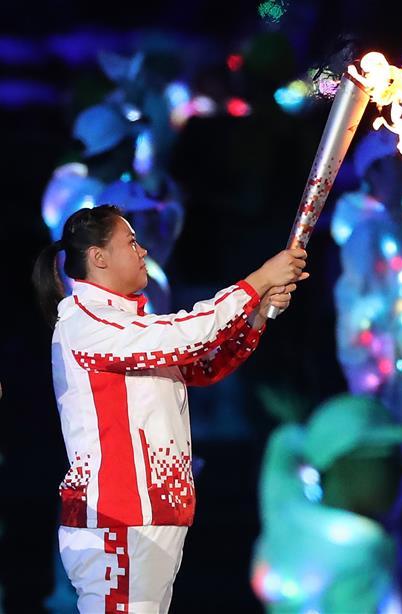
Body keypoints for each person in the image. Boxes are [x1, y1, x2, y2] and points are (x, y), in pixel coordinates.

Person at [31, 204, 308, 613]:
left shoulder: (129, 327)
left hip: (153, 517)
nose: (142, 251)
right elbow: (186, 335)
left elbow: (204, 364)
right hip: (117, 521)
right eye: (131, 242)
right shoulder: (85, 325)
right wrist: (257, 281)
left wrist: (257, 314)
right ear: (99, 258)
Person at [252, 394, 402, 613]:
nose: (401, 469)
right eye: (386, 456)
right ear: (342, 464)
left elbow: (282, 453)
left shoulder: (287, 516)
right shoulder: (361, 549)